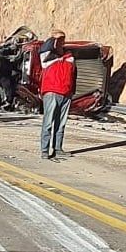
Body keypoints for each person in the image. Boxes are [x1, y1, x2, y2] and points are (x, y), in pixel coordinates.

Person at [39, 30, 76, 159]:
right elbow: (45, 48)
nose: (61, 42)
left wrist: (72, 92)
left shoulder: (69, 57)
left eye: (62, 40)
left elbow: (74, 75)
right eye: (58, 40)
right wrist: (53, 38)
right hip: (51, 91)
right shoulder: (47, 56)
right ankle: (44, 150)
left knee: (61, 123)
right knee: (48, 123)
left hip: (66, 93)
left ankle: (58, 148)